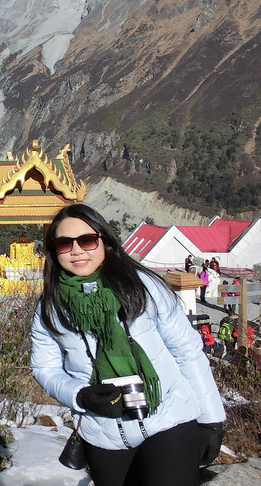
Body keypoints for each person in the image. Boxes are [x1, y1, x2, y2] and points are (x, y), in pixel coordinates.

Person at [30, 203, 225, 486]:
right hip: (103, 432)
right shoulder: (50, 306)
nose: (77, 250)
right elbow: (44, 367)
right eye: (64, 243)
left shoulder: (143, 287)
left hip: (168, 417)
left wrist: (212, 419)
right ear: (53, 250)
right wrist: (81, 396)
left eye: (87, 240)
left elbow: (187, 351)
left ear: (104, 241)